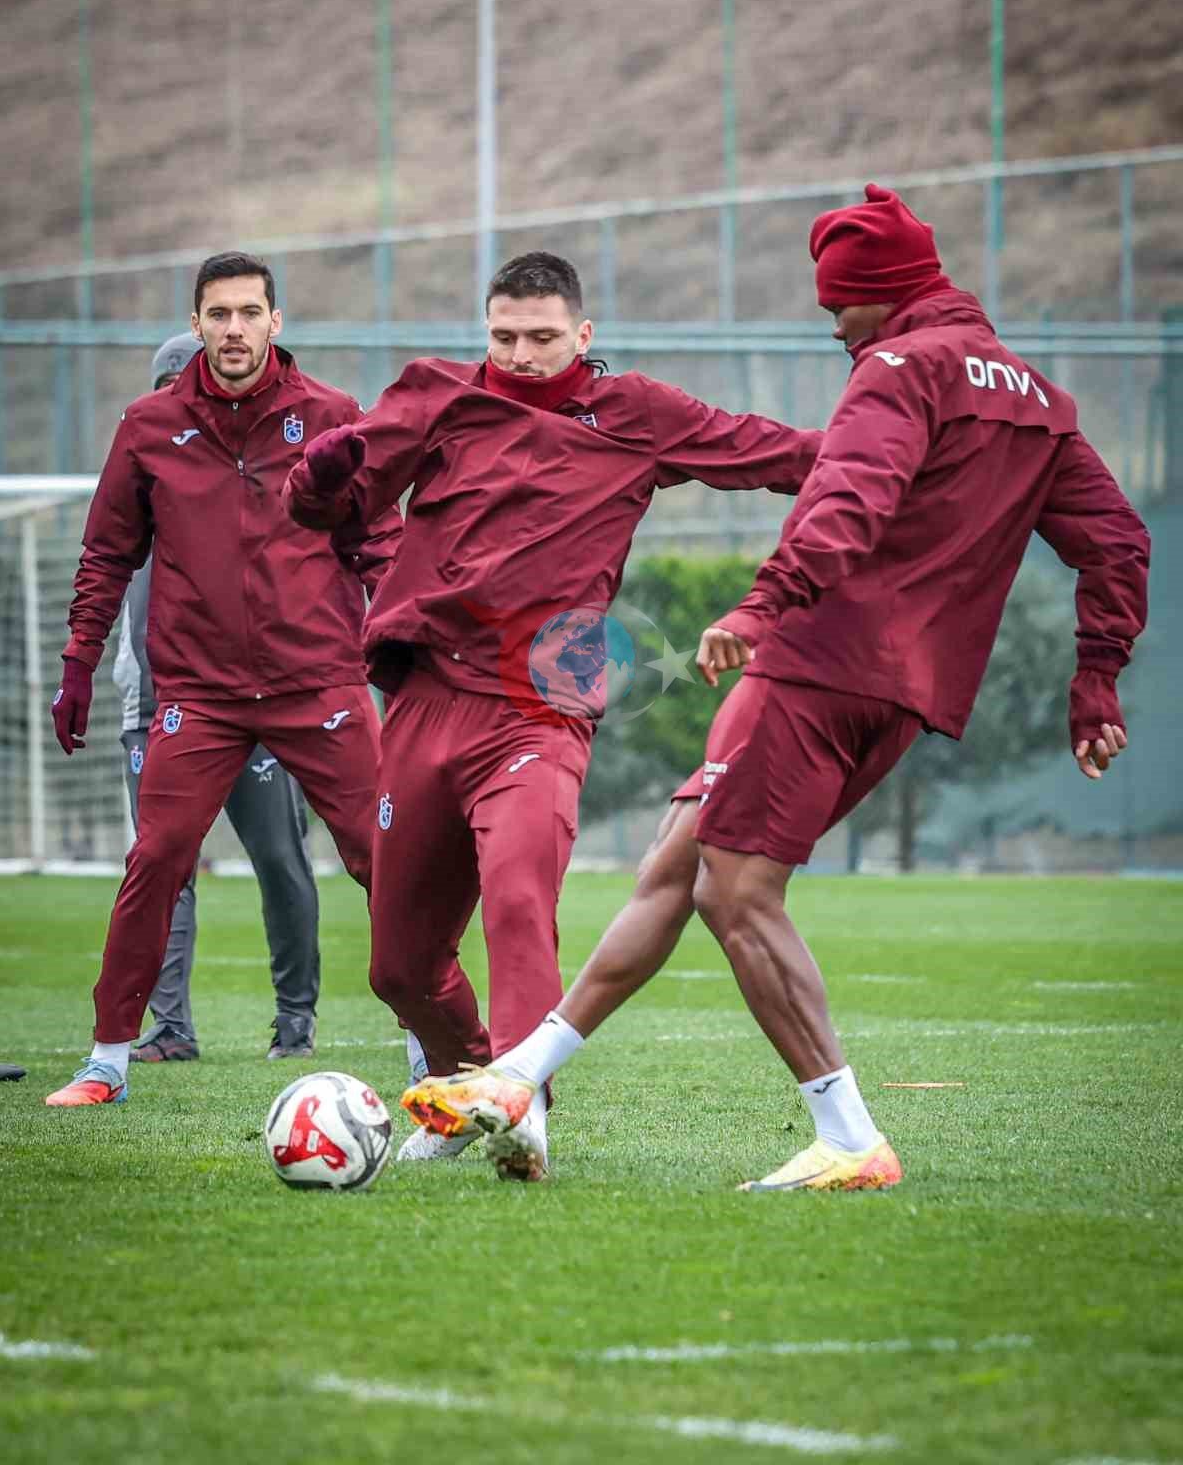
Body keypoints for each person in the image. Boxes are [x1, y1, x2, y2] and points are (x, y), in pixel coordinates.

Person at [400, 187, 1151, 1191]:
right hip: (909, 689)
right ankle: (516, 1078)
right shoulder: (1038, 399)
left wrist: (764, 604)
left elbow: (849, 497)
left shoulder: (898, 368)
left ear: (884, 294)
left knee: (735, 890)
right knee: (675, 867)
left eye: (839, 304)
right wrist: (1096, 678)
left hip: (820, 661)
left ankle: (848, 1135)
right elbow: (1120, 542)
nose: (833, 324)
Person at [284, 250, 823, 1179]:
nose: (522, 355)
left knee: (520, 898)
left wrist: (901, 456)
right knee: (399, 968)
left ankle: (521, 1105)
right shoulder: (436, 396)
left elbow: (775, 453)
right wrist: (320, 475)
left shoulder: (637, 413)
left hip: (541, 708)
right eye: (504, 337)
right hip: (428, 700)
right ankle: (467, 1088)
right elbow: (321, 509)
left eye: (541, 337)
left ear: (584, 334)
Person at [45, 251, 402, 1108]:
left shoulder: (331, 415)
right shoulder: (148, 426)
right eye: (218, 314)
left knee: (387, 858)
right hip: (198, 696)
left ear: (275, 321)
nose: (234, 329)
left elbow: (380, 542)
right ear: (196, 324)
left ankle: (435, 1045)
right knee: (156, 859)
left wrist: (404, 648)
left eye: (249, 313)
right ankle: (107, 1062)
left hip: (319, 683)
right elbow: (106, 555)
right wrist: (79, 663)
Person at [113, 333, 323, 1064]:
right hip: (155, 711)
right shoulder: (138, 472)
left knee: (281, 860)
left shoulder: (267, 479)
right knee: (163, 869)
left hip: (262, 704)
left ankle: (295, 1020)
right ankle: (171, 1028)